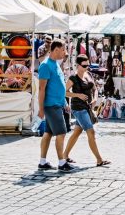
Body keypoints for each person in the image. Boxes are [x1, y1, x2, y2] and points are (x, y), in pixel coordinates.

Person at [60, 56, 108, 168]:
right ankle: (99, 160)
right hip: (78, 108)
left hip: (87, 107)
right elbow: (64, 92)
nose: (87, 67)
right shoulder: (73, 77)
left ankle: (65, 155)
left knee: (76, 132)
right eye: (84, 65)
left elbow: (95, 88)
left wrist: (95, 99)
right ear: (78, 65)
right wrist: (77, 95)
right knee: (91, 132)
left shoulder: (88, 74)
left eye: (88, 65)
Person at [34, 40, 72, 172]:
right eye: (63, 50)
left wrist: (65, 102)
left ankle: (42, 162)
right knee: (61, 133)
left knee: (48, 133)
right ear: (56, 50)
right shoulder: (45, 65)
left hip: (57, 104)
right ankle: (62, 163)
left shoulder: (56, 64)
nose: (65, 52)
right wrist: (41, 109)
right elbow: (41, 89)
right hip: (51, 106)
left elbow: (59, 85)